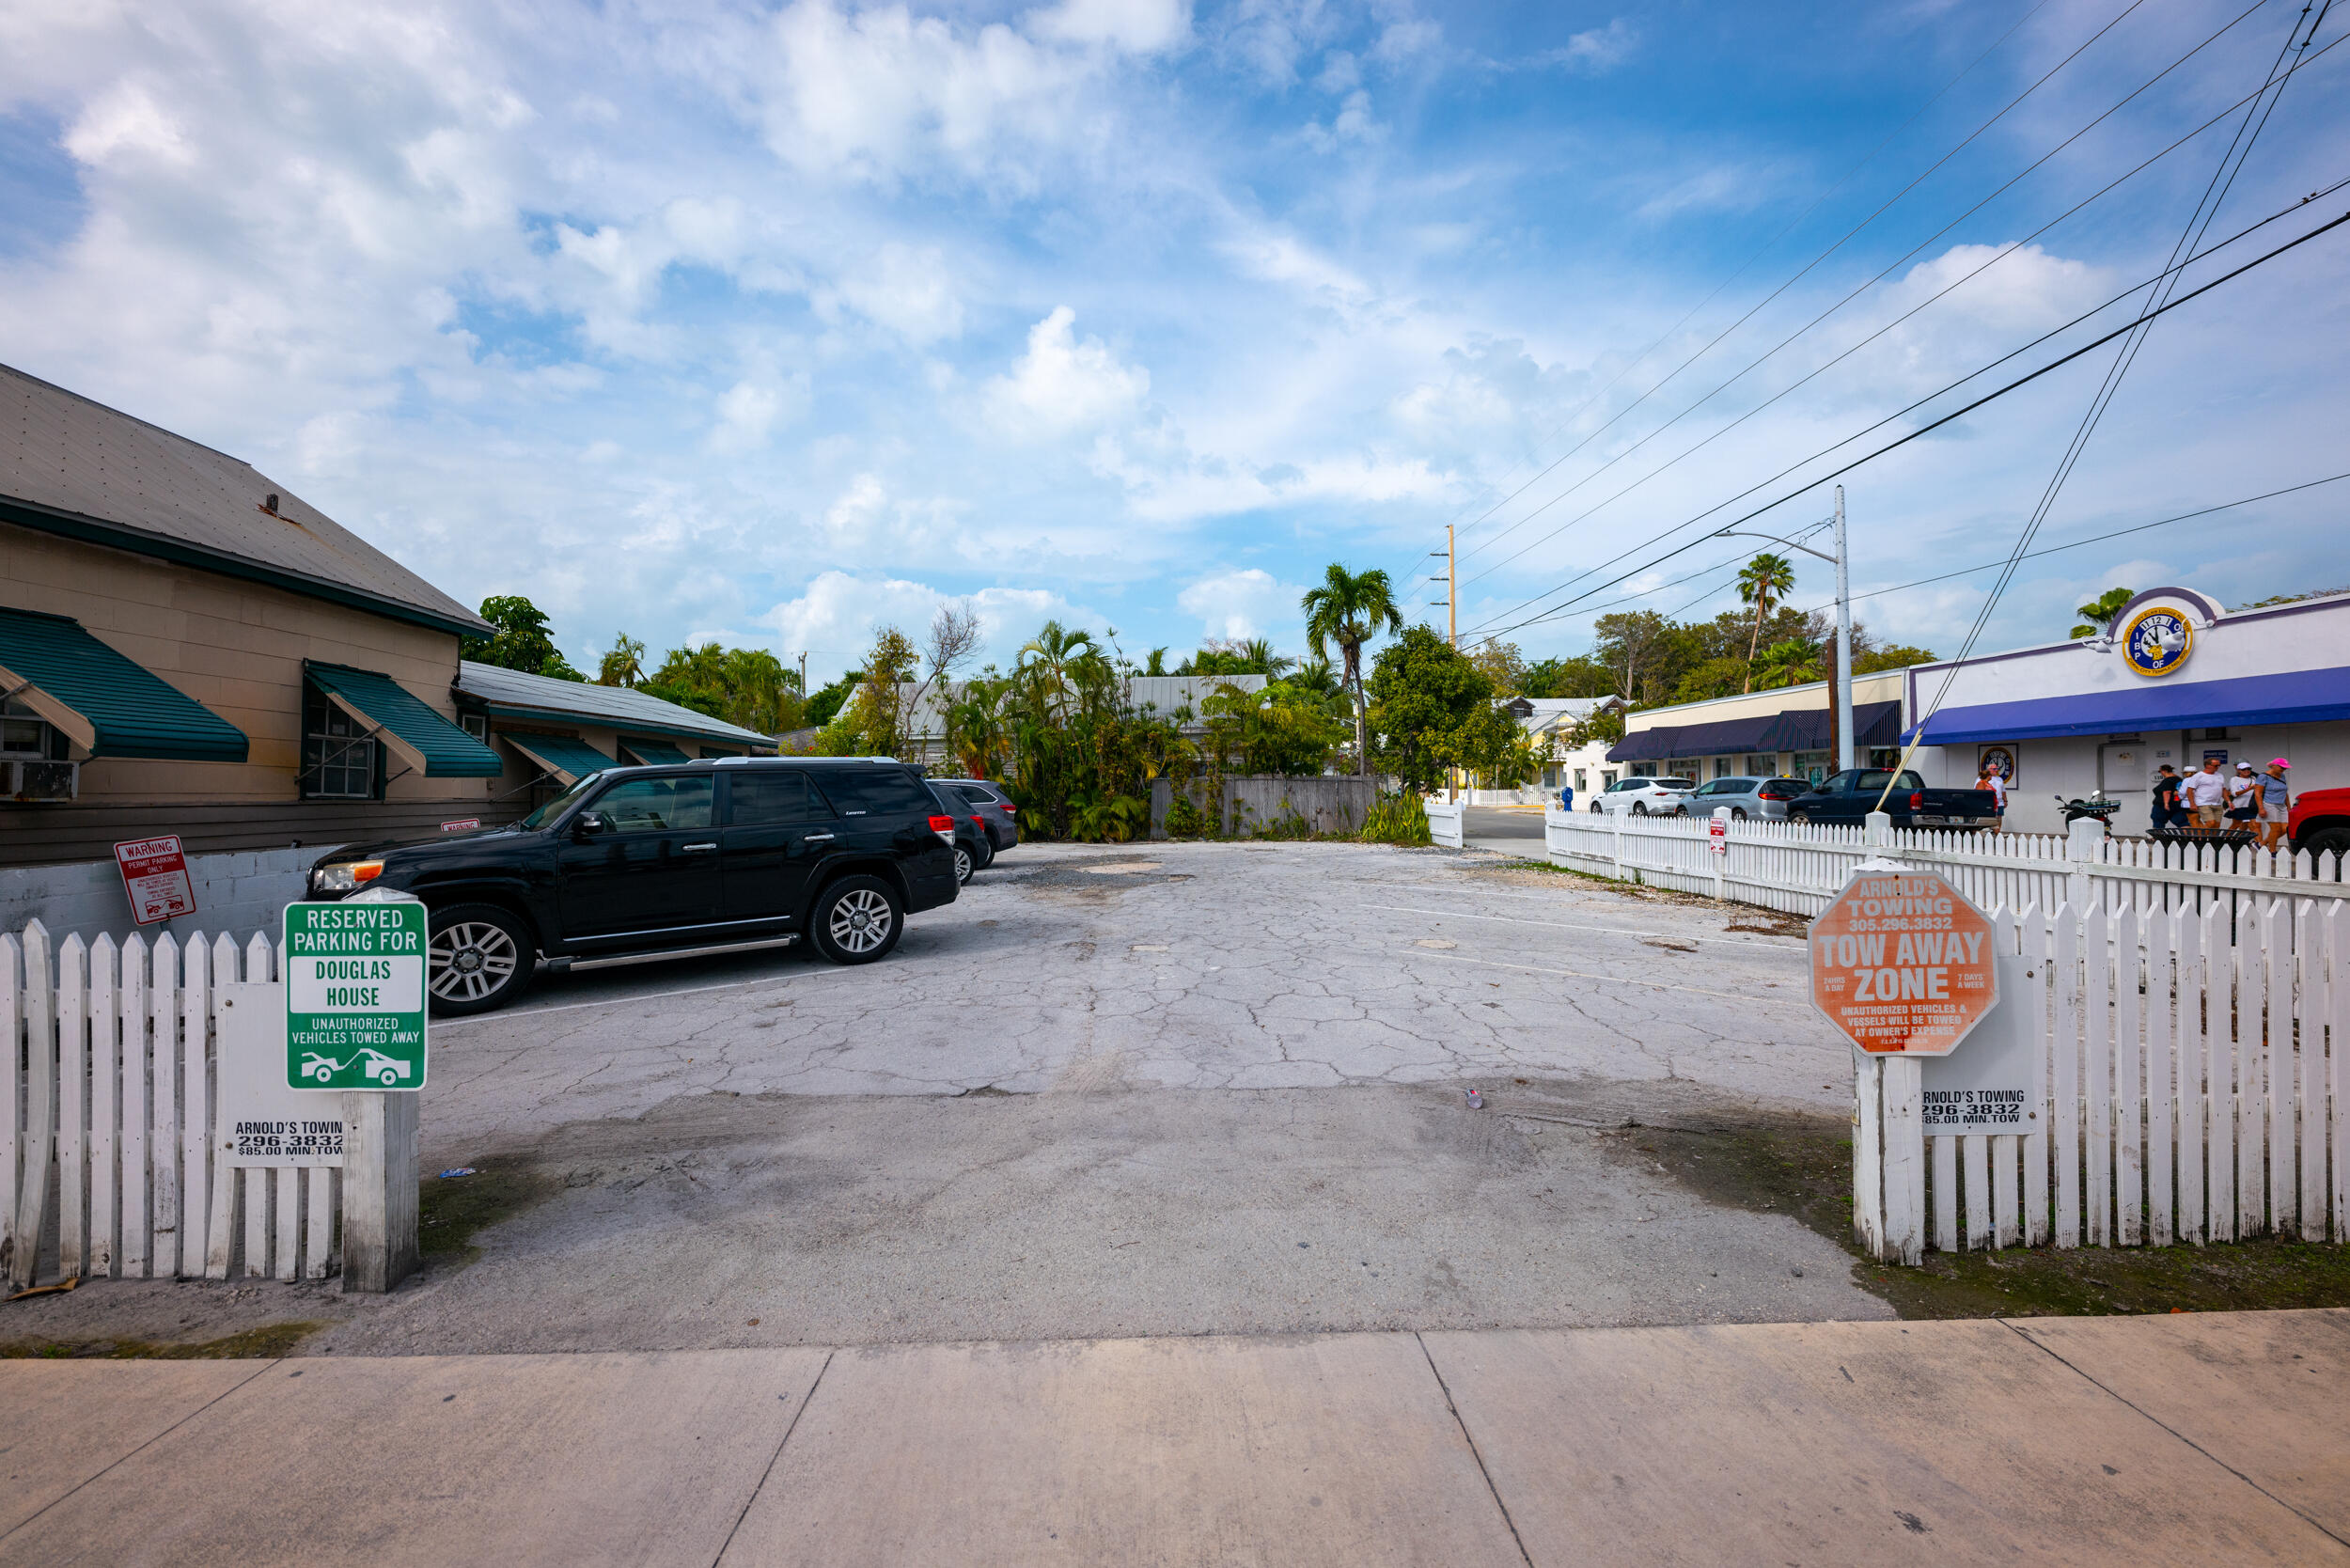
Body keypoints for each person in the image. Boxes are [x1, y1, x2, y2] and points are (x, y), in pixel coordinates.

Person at [2182, 757, 2229, 832]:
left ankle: (2211, 841)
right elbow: (2189, 790)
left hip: (2217, 803)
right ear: (2207, 765)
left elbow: (2223, 789)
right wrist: (2192, 804)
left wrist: (2228, 801)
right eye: (2216, 766)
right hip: (2203, 803)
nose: (2218, 767)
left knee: (2216, 826)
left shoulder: (2220, 775)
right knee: (2210, 823)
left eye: (2219, 765)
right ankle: (2198, 837)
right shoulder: (2198, 776)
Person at [2257, 758, 2292, 852]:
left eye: (2285, 768)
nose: (2283, 770)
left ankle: (2262, 843)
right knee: (2275, 829)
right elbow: (2258, 793)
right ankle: (2272, 851)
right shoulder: (2263, 776)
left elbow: (2285, 793)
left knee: (2286, 828)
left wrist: (2288, 807)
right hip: (2269, 804)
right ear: (2274, 766)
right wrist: (2261, 808)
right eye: (2282, 767)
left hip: (2281, 806)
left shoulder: (2282, 776)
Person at [2227, 761, 2261, 837]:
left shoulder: (2254, 779)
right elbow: (2235, 794)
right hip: (2239, 806)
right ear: (2239, 770)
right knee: (2236, 825)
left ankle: (2259, 846)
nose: (2247, 771)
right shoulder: (2234, 779)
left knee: (2255, 826)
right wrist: (2250, 788)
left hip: (2251, 806)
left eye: (2249, 769)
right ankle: (2225, 840)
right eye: (2243, 769)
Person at [2150, 763, 2186, 835]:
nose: (2161, 773)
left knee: (2158, 822)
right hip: (2177, 805)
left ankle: (2158, 839)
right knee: (2182, 822)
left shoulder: (2168, 780)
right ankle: (2189, 837)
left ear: (2164, 771)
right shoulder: (2179, 780)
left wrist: (2166, 804)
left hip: (2162, 806)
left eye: (2160, 771)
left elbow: (2167, 792)